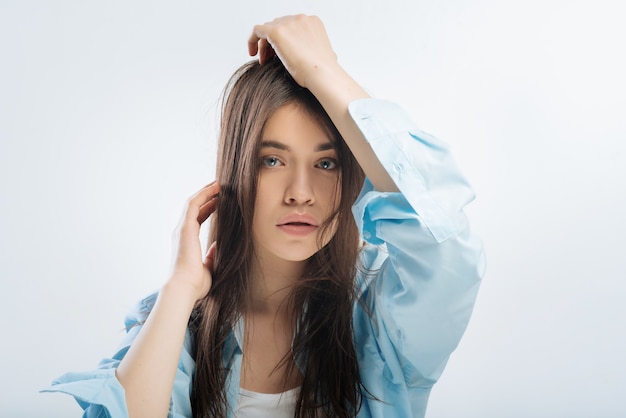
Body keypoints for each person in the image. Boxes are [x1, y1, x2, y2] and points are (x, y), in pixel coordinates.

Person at [43, 14, 485, 418]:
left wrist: (322, 69)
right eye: (272, 161)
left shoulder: (381, 316)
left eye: (326, 163)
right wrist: (179, 290)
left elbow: (443, 235)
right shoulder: (181, 322)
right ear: (236, 169)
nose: (301, 194)